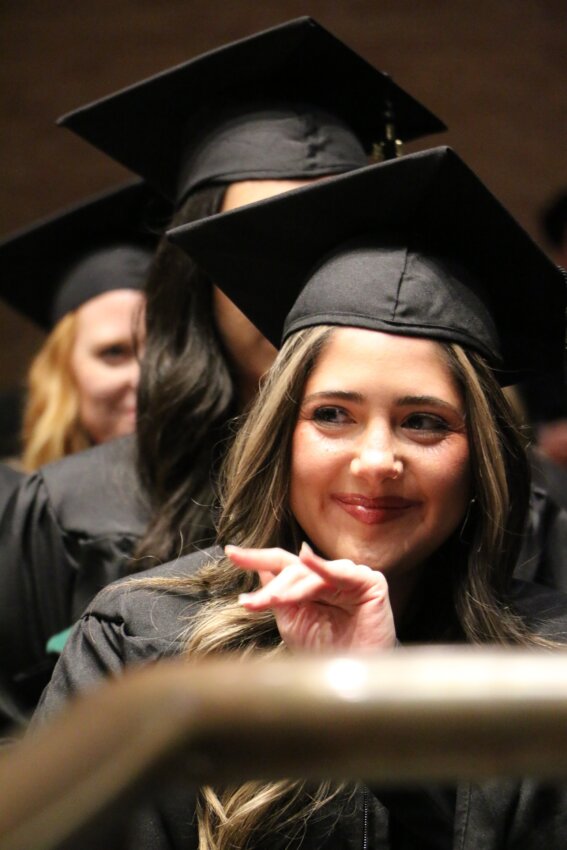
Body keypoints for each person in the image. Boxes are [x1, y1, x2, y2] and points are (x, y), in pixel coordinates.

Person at [36, 147, 567, 848]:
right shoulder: (141, 640)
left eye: (424, 422)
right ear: (278, 435)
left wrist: (385, 718)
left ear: (482, 460)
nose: (376, 460)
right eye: (332, 414)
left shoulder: (546, 671)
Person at [0, 17, 446, 713]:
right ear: (195, 273)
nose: (305, 282)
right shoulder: (69, 511)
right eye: (264, 243)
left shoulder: (468, 502)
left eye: (340, 242)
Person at [0, 181, 160, 470]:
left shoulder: (231, 498)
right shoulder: (15, 508)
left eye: (163, 349)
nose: (144, 376)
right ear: (64, 372)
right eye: (113, 352)